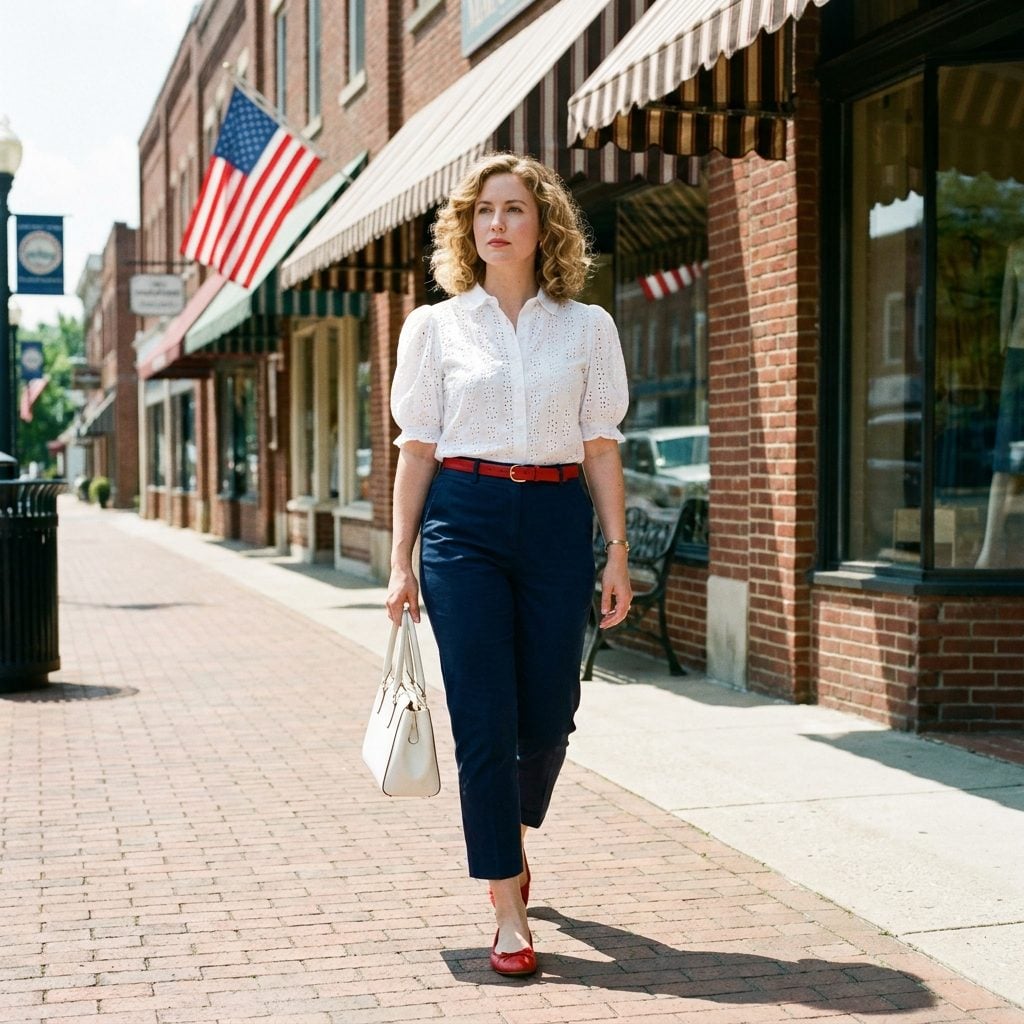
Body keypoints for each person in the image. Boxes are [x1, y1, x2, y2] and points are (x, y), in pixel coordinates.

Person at [386, 153, 632, 977]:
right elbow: (417, 449)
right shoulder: (435, 328)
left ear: (543, 223)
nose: (498, 223)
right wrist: (401, 561)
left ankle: (510, 836)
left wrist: (617, 551)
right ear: (469, 228)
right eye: (484, 210)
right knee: (483, 717)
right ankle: (506, 904)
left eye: (515, 208)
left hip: (558, 519)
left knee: (551, 713)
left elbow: (601, 446)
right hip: (465, 521)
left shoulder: (588, 327)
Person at [976, 236, 1024, 568]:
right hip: (1019, 352)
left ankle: (991, 550)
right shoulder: (1016, 248)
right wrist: (1003, 346)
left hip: (1016, 353)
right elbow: (1007, 303)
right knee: (1005, 454)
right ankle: (989, 550)